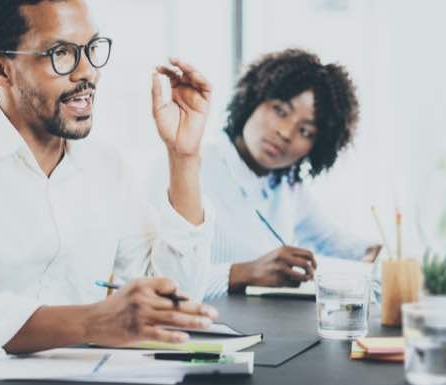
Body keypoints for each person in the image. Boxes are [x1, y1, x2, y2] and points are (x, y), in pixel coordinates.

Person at [0, 0, 218, 366]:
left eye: (91, 48)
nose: (87, 72)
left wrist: (183, 158)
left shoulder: (107, 165)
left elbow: (174, 303)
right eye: (61, 54)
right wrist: (91, 322)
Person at [149, 49, 380, 299]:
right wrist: (242, 273)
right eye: (280, 111)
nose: (285, 132)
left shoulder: (287, 186)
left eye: (306, 131)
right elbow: (153, 281)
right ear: (253, 100)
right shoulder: (183, 164)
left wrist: (381, 255)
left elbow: (334, 241)